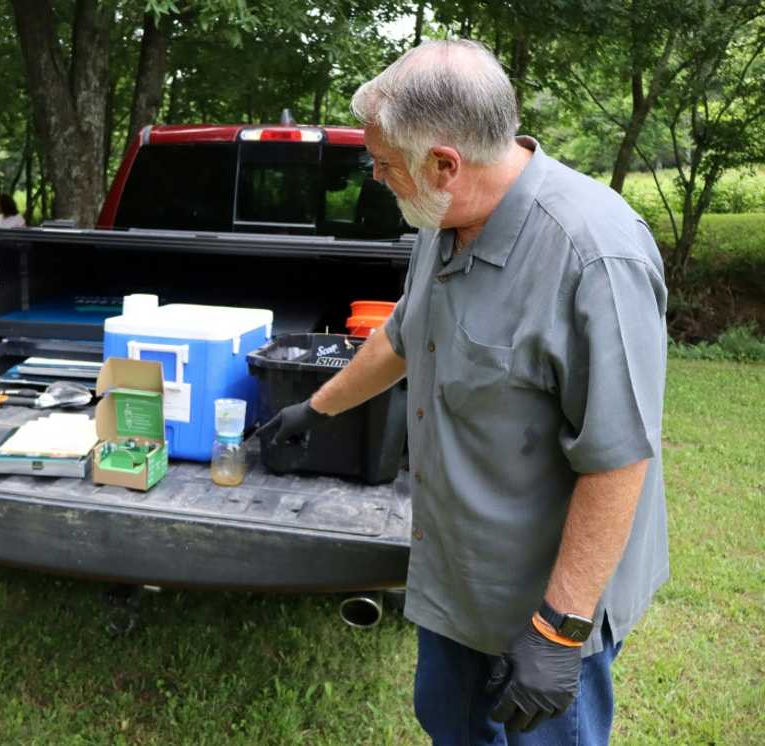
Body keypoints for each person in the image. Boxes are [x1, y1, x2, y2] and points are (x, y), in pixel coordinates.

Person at [264, 39, 668, 746]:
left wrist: (560, 630)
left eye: (385, 166)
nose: (380, 180)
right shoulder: (444, 216)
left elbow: (617, 458)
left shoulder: (595, 256)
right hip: (456, 576)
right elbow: (400, 336)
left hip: (544, 603)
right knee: (451, 726)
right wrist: (317, 407)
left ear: (445, 162)